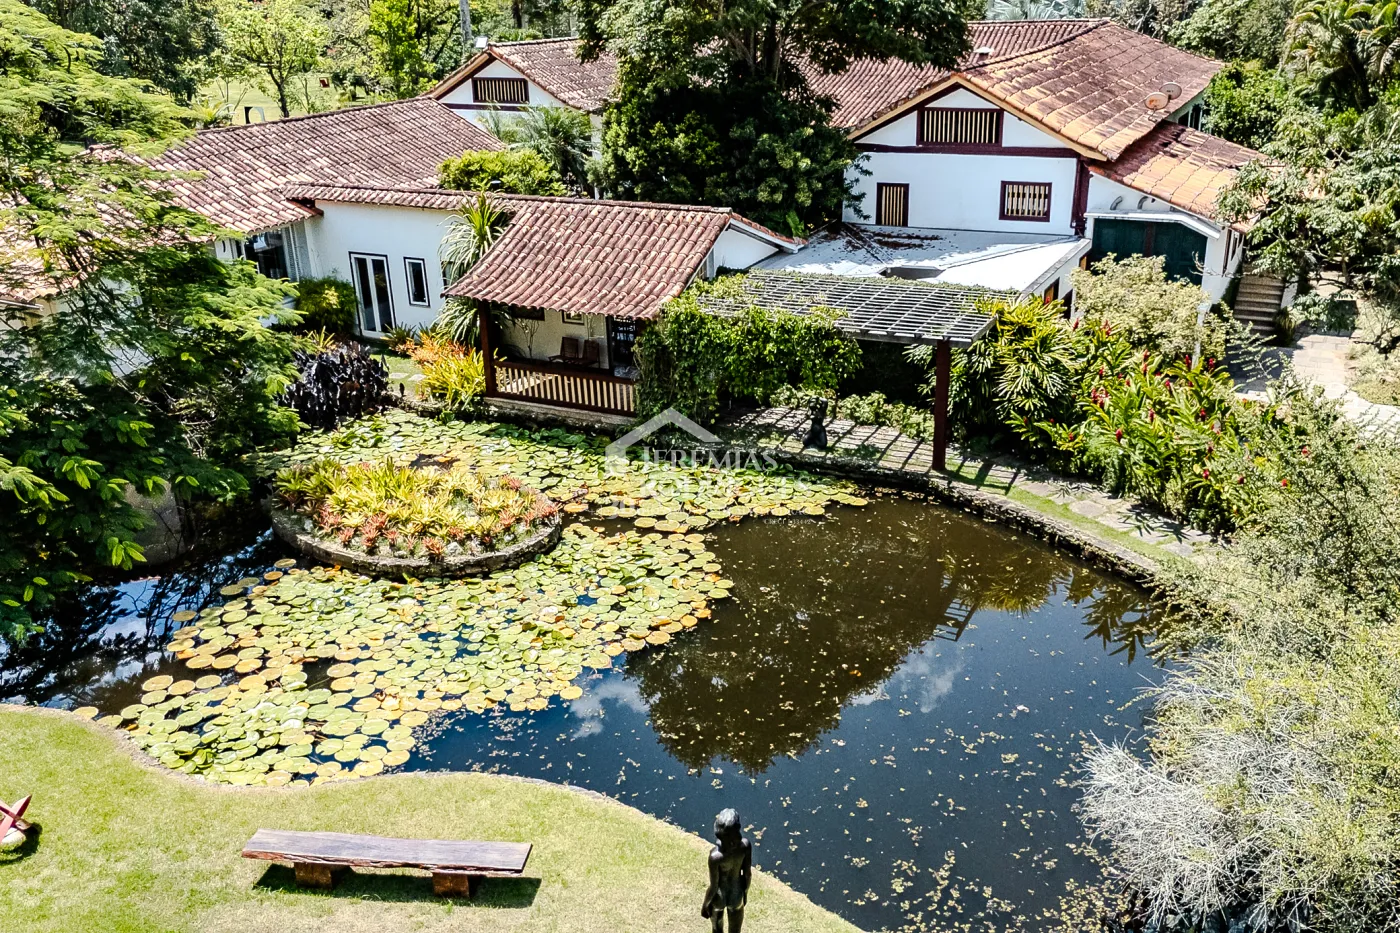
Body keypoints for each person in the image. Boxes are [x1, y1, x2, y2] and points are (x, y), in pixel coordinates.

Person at [701, 808, 752, 932]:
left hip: (719, 897)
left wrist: (705, 905)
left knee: (717, 930)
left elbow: (714, 886)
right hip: (736, 894)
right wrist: (744, 894)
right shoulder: (745, 846)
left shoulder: (715, 857)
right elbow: (747, 875)